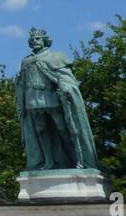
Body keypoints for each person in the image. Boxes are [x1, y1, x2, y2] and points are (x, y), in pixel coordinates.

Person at [15, 27, 100, 170]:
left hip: (50, 98)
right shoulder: (26, 61)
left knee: (63, 128)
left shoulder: (55, 57)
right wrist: (20, 101)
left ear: (45, 41)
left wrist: (66, 87)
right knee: (41, 131)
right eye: (32, 40)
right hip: (32, 100)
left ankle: (76, 158)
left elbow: (65, 77)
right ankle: (48, 161)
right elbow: (21, 84)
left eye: (38, 39)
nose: (35, 41)